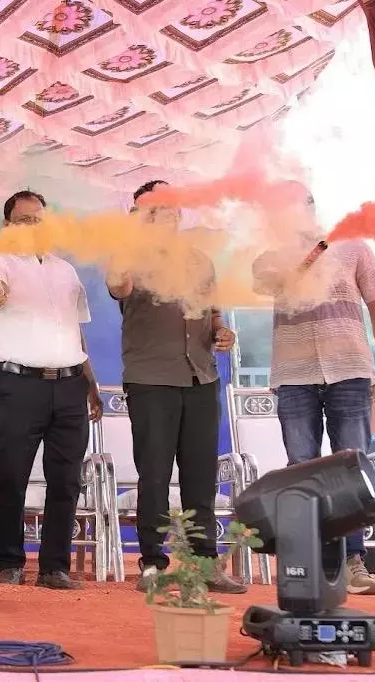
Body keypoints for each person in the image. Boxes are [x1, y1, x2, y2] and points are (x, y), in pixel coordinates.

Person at [252, 190, 375, 596]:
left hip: (349, 369)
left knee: (351, 468)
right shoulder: (269, 256)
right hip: (294, 375)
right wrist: (304, 257)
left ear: (312, 209)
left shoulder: (354, 248)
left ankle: (353, 561)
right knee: (301, 466)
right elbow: (270, 283)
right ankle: (311, 562)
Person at [108, 180, 246, 594]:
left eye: (171, 206)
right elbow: (118, 286)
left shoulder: (200, 260)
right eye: (155, 208)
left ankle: (205, 564)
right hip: (152, 380)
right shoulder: (128, 257)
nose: (166, 214)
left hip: (201, 377)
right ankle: (152, 563)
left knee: (201, 476)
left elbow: (214, 315)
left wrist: (222, 333)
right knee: (154, 475)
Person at [0, 191, 103, 588]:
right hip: (21, 384)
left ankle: (55, 567)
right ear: (8, 225)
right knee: (11, 474)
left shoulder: (65, 270)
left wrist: (91, 383)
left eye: (39, 219)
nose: (33, 227)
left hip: (70, 384)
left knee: (66, 479)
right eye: (24, 220)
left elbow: (76, 331)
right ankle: (9, 563)